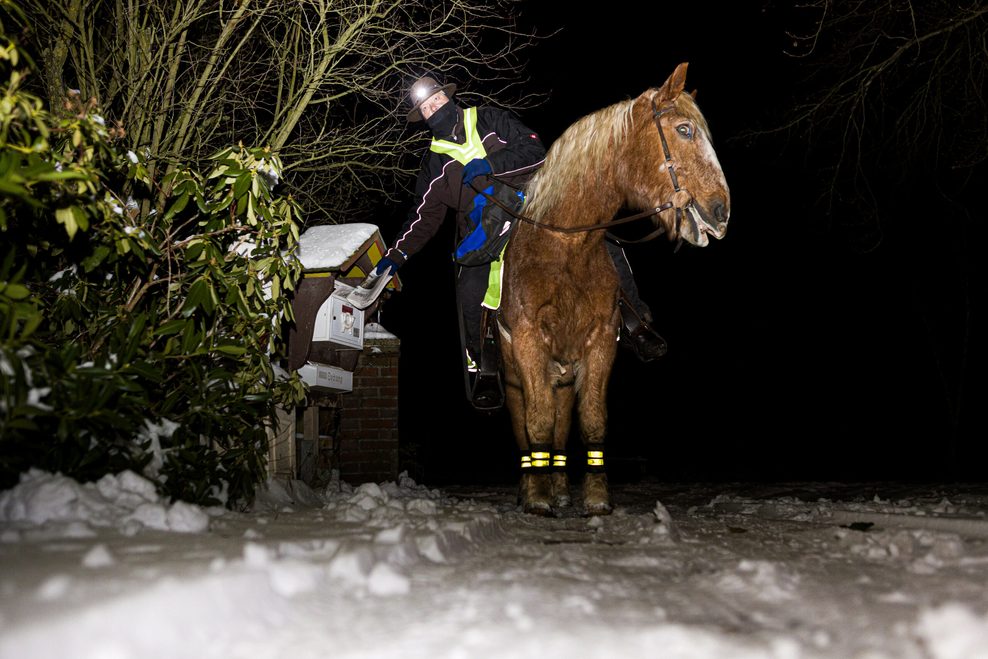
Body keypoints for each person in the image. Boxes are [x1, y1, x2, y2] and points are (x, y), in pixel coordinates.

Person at [377, 76, 667, 409]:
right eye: (426, 109)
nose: (433, 110)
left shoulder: (487, 118)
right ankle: (486, 366)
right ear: (423, 118)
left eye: (436, 102)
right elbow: (424, 217)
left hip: (532, 201)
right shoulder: (434, 163)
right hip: (485, 226)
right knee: (470, 287)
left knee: (596, 236)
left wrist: (491, 165)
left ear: (447, 98)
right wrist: (396, 254)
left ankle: (635, 323)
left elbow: (534, 149)